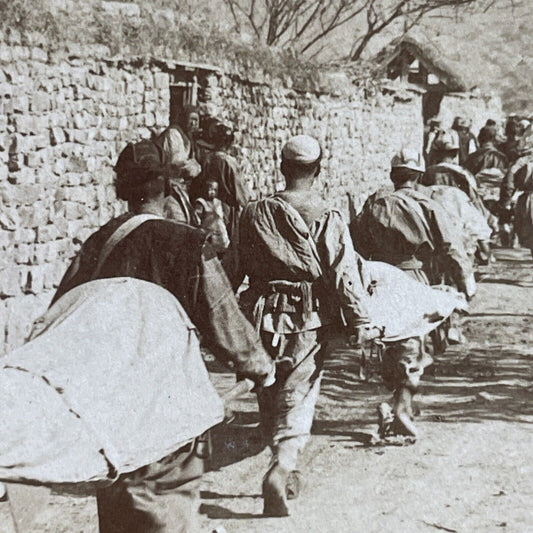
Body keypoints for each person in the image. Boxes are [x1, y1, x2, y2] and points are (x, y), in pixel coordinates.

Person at [53, 139, 275, 533]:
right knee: (166, 505)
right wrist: (258, 366)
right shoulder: (186, 244)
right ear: (169, 186)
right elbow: (222, 315)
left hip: (112, 405)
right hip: (168, 402)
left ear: (121, 189)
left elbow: (63, 314)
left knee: (120, 504)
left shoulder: (98, 244)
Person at [238, 135, 373, 517]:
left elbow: (234, 267)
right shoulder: (326, 215)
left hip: (261, 315)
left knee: (269, 386)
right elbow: (344, 272)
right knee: (301, 392)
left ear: (282, 167)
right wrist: (360, 320)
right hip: (308, 318)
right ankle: (282, 466)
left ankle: (280, 456)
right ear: (318, 170)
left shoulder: (253, 212)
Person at [351, 149, 475, 438]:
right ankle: (400, 407)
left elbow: (354, 244)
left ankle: (398, 404)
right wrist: (465, 279)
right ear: (419, 175)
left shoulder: (374, 204)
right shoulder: (427, 203)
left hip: (378, 279)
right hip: (414, 278)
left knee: (392, 342)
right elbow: (449, 246)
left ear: (393, 175)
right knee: (416, 344)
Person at [192, 119, 250, 287]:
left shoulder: (208, 159)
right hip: (228, 211)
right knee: (231, 251)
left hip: (211, 208)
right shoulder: (229, 163)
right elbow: (241, 195)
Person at [420, 130, 494, 226]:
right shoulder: (463, 174)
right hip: (460, 222)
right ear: (455, 153)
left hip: (435, 221)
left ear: (434, 153)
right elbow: (475, 203)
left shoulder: (427, 173)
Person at [155, 105, 202, 225]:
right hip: (169, 186)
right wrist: (194, 167)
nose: (193, 123)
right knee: (177, 220)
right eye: (191, 119)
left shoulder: (187, 138)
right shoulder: (174, 134)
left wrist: (195, 166)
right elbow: (179, 164)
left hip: (180, 187)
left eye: (196, 120)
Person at [194, 176, 230, 254]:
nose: (212, 192)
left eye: (215, 190)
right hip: (209, 234)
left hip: (220, 234)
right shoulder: (201, 202)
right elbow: (197, 219)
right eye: (210, 189)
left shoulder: (218, 202)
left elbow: (223, 217)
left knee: (221, 253)